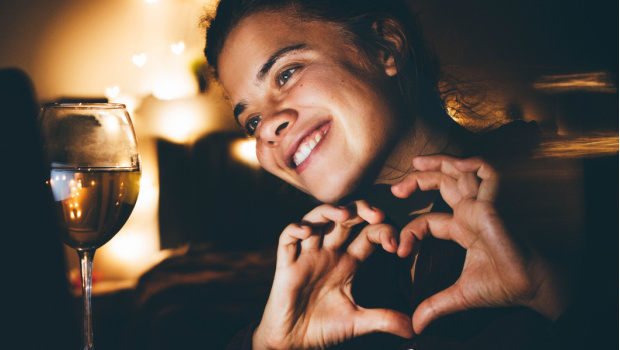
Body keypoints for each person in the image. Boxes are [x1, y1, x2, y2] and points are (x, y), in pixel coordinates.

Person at [201, 0, 613, 349]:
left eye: (286, 73)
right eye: (251, 121)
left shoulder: (573, 175)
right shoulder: (341, 269)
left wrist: (551, 292)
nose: (268, 127)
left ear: (385, 47)